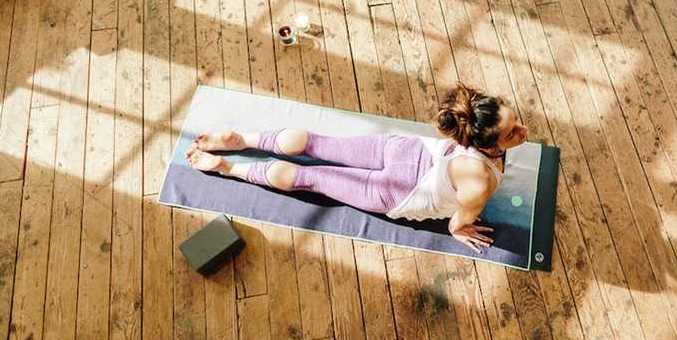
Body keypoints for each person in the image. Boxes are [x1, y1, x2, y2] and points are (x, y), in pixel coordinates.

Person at [186, 82, 528, 253]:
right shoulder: (480, 183)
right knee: (310, 176)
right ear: (484, 141)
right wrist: (457, 230)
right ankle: (228, 167)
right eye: (512, 131)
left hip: (406, 151)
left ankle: (242, 139)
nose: (523, 132)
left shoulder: (468, 128)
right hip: (396, 192)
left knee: (319, 144)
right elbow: (458, 221)